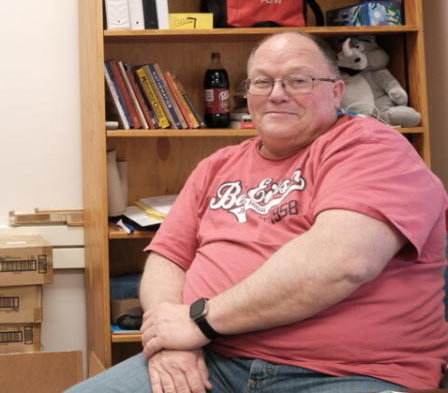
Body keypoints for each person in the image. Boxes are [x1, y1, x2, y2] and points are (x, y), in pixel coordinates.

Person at [69, 31, 448, 393]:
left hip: (345, 373)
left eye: (298, 80)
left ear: (336, 92)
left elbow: (345, 261)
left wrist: (198, 321)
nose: (277, 95)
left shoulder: (373, 148)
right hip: (210, 362)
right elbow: (168, 258)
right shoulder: (217, 165)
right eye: (262, 82)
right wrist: (171, 342)